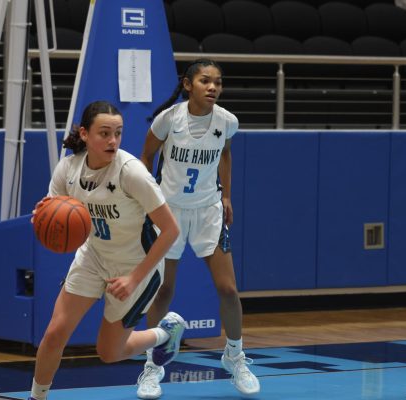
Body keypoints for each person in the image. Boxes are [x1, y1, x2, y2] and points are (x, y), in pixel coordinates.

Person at [28, 100, 184, 400]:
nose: (113, 140)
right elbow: (52, 213)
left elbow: (171, 230)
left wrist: (134, 278)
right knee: (55, 332)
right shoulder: (69, 168)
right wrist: (42, 216)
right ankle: (37, 397)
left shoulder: (132, 173)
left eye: (118, 133)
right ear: (85, 134)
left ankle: (165, 333)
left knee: (109, 352)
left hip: (136, 265)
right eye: (104, 133)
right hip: (93, 257)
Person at [136, 59, 260, 399]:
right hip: (169, 213)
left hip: (208, 210)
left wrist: (228, 196)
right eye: (206, 81)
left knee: (228, 289)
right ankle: (152, 366)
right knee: (163, 290)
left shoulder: (227, 121)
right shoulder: (169, 119)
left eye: (218, 82)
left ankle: (234, 356)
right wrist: (150, 199)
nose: (213, 87)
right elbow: (145, 157)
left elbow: (225, 155)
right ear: (188, 84)